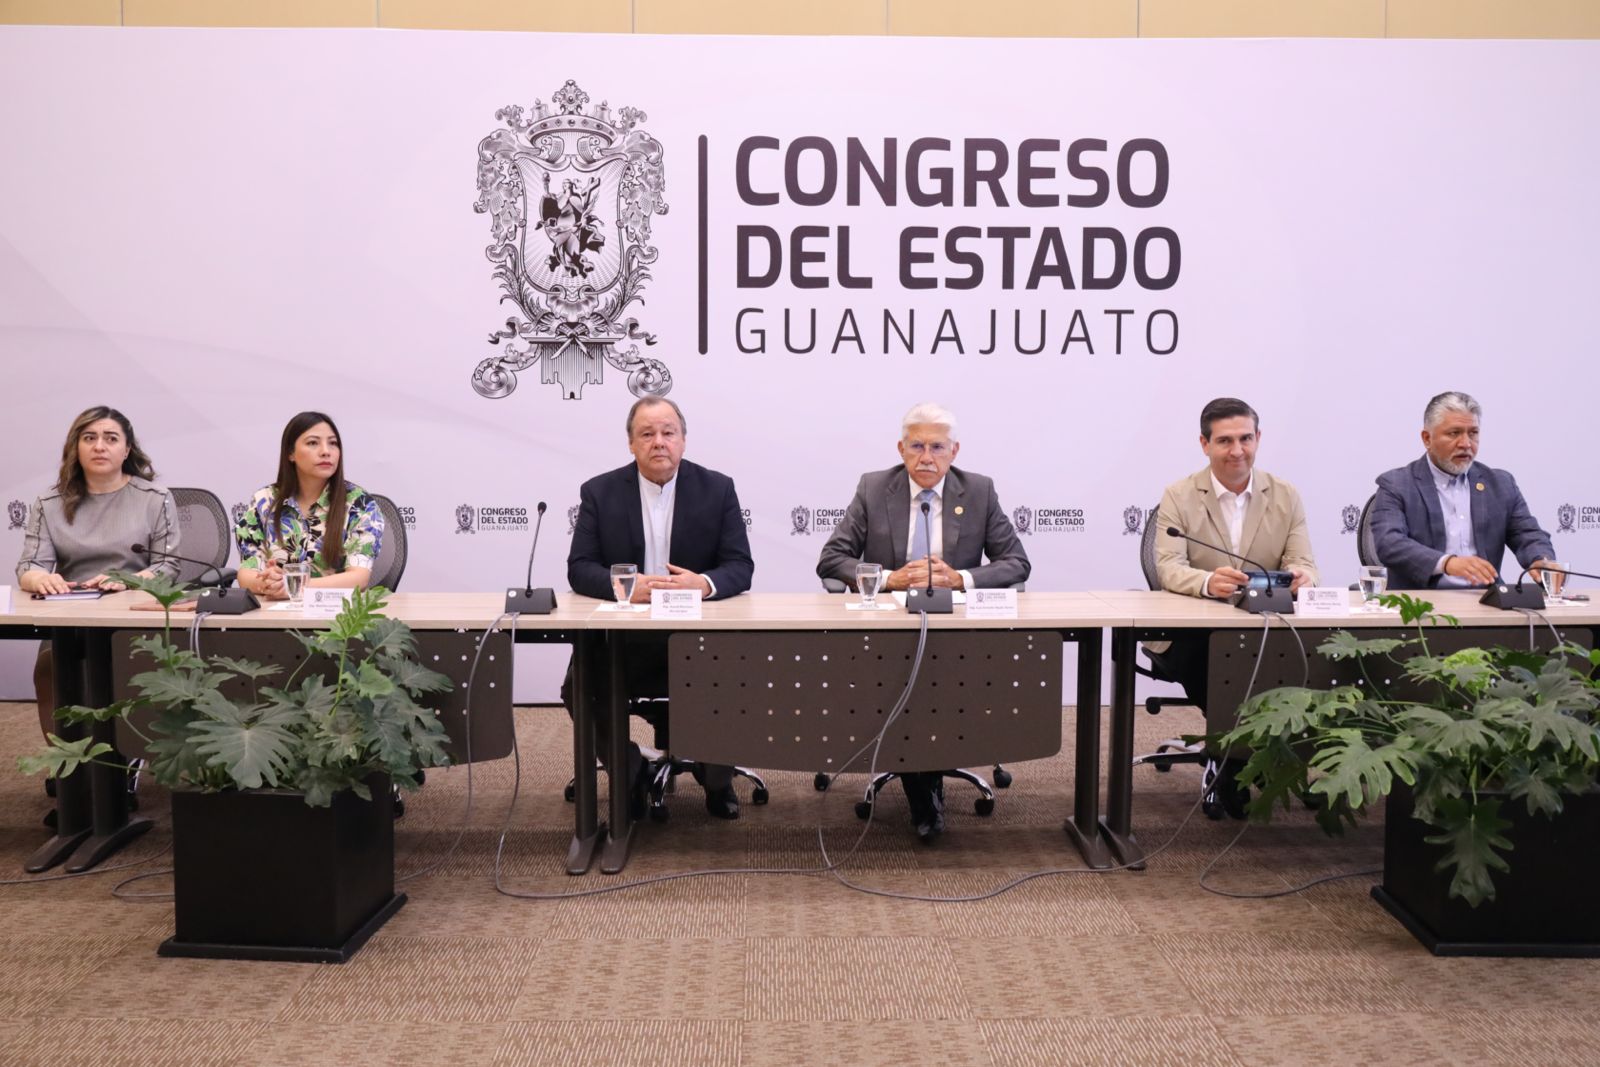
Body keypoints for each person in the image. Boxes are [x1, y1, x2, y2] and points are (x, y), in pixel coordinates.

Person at [816, 402, 1029, 842]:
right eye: (916, 447)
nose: (926, 457)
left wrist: (961, 578)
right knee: (909, 678)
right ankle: (925, 792)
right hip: (886, 633)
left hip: (956, 634)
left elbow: (1016, 563)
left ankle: (924, 785)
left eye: (937, 447)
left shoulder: (979, 491)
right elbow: (832, 559)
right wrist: (889, 578)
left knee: (933, 677)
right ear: (901, 449)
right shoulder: (875, 488)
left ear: (954, 451)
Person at [564, 396, 755, 819]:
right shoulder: (599, 492)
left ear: (683, 440)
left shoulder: (717, 488)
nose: (659, 442)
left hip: (698, 638)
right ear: (631, 444)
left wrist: (702, 584)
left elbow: (740, 567)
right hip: (625, 641)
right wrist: (623, 587)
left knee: (733, 673)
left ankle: (716, 778)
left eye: (668, 432)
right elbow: (580, 568)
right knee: (579, 681)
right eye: (647, 434)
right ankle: (629, 770)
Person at [1152, 397, 1319, 817]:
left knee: (1304, 656)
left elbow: (1303, 561)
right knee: (1214, 659)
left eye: (1246, 439)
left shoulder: (1285, 494)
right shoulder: (1179, 494)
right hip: (1194, 631)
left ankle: (1234, 758)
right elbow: (1168, 567)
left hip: (1265, 623)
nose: (1237, 450)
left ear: (1258, 438)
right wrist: (1208, 582)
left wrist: (1303, 577)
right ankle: (1237, 758)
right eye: (1225, 441)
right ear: (1204, 444)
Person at [16, 406, 180, 821]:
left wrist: (131, 580)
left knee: (123, 669)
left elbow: (168, 567)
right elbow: (29, 566)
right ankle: (69, 768)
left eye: (110, 438)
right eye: (89, 438)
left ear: (127, 449)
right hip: (71, 614)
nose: (100, 446)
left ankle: (120, 769)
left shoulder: (154, 499)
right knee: (50, 668)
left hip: (134, 613)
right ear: (76, 447)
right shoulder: (50, 503)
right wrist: (40, 579)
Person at [1370, 391, 1557, 591]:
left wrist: (1541, 559)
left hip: (1486, 600)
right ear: (1427, 438)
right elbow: (1389, 543)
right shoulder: (1397, 484)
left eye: (1473, 433)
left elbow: (1528, 534)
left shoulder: (1500, 484)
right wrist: (1447, 563)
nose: (1466, 444)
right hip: (1422, 602)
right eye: (1454, 433)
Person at [234, 411, 384, 600]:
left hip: (336, 613)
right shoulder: (264, 501)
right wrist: (267, 583)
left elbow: (358, 578)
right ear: (291, 453)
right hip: (276, 613)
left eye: (333, 443)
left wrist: (294, 586)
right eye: (313, 443)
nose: (326, 451)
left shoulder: (359, 503)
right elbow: (246, 573)